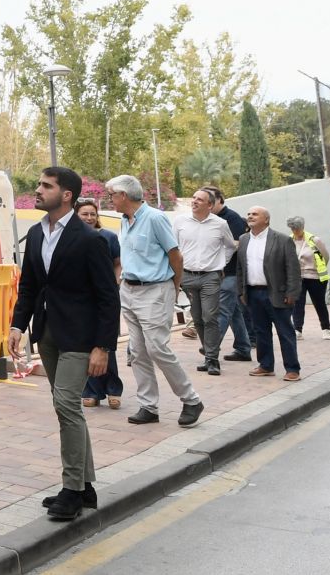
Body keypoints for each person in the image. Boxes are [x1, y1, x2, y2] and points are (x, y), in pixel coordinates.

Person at [9, 166, 119, 522]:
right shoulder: (36, 234)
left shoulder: (90, 240)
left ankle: (71, 489)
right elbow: (29, 286)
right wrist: (17, 325)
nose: (37, 190)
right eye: (39, 184)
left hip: (80, 336)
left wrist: (103, 346)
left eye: (46, 186)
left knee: (66, 404)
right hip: (49, 333)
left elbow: (107, 298)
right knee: (67, 407)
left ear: (66, 194)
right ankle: (85, 486)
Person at [107, 175, 202, 427]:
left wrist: (173, 287)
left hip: (155, 291)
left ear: (124, 195)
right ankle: (148, 406)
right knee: (137, 352)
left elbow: (176, 256)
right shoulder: (125, 221)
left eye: (112, 195)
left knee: (157, 348)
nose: (110, 200)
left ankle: (191, 399)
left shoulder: (155, 218)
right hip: (130, 290)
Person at [172, 189, 236, 375]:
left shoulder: (220, 224)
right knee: (197, 318)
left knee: (210, 316)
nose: (194, 201)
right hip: (187, 275)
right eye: (193, 198)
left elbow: (230, 247)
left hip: (210, 276)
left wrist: (221, 264)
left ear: (210, 205)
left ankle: (212, 359)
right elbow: (173, 248)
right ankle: (208, 354)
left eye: (199, 199)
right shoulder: (180, 222)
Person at [235, 206, 302, 381]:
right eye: (248, 214)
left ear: (266, 219)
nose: (250, 216)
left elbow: (293, 269)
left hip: (277, 294)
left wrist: (292, 292)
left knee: (285, 332)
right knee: (260, 332)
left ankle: (292, 368)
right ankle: (266, 365)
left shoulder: (281, 239)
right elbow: (240, 268)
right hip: (253, 293)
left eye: (255, 214)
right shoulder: (243, 239)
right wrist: (241, 291)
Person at [73, 198, 124, 410]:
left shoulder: (109, 237)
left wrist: (113, 285)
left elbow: (117, 264)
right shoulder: (71, 238)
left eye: (93, 214)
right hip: (82, 301)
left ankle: (113, 388)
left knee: (106, 344)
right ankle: (91, 391)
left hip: (105, 299)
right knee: (86, 345)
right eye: (85, 214)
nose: (89, 218)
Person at [203, 187, 253, 362]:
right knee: (234, 312)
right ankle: (243, 348)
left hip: (231, 273)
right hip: (218, 272)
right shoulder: (209, 219)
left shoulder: (231, 219)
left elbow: (239, 243)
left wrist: (220, 261)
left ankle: (211, 346)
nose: (207, 204)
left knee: (222, 310)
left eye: (211, 200)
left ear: (220, 200)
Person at [286, 216, 330, 334]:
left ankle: (326, 328)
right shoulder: (289, 240)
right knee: (298, 304)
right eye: (293, 229)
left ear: (302, 227)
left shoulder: (314, 240)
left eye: (297, 228)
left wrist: (317, 268)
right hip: (298, 278)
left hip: (315, 277)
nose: (295, 231)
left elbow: (326, 256)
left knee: (319, 303)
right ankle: (298, 329)